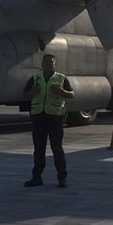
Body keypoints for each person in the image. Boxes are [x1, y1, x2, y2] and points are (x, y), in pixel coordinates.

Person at [23, 54, 74, 188]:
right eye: (46, 62)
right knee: (39, 149)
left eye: (51, 62)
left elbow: (72, 94)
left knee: (57, 148)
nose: (49, 64)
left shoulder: (61, 78)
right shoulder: (35, 78)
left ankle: (62, 177)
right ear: (42, 64)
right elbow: (25, 95)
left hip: (55, 117)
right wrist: (33, 91)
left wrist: (61, 91)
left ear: (55, 64)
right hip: (39, 117)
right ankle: (37, 177)